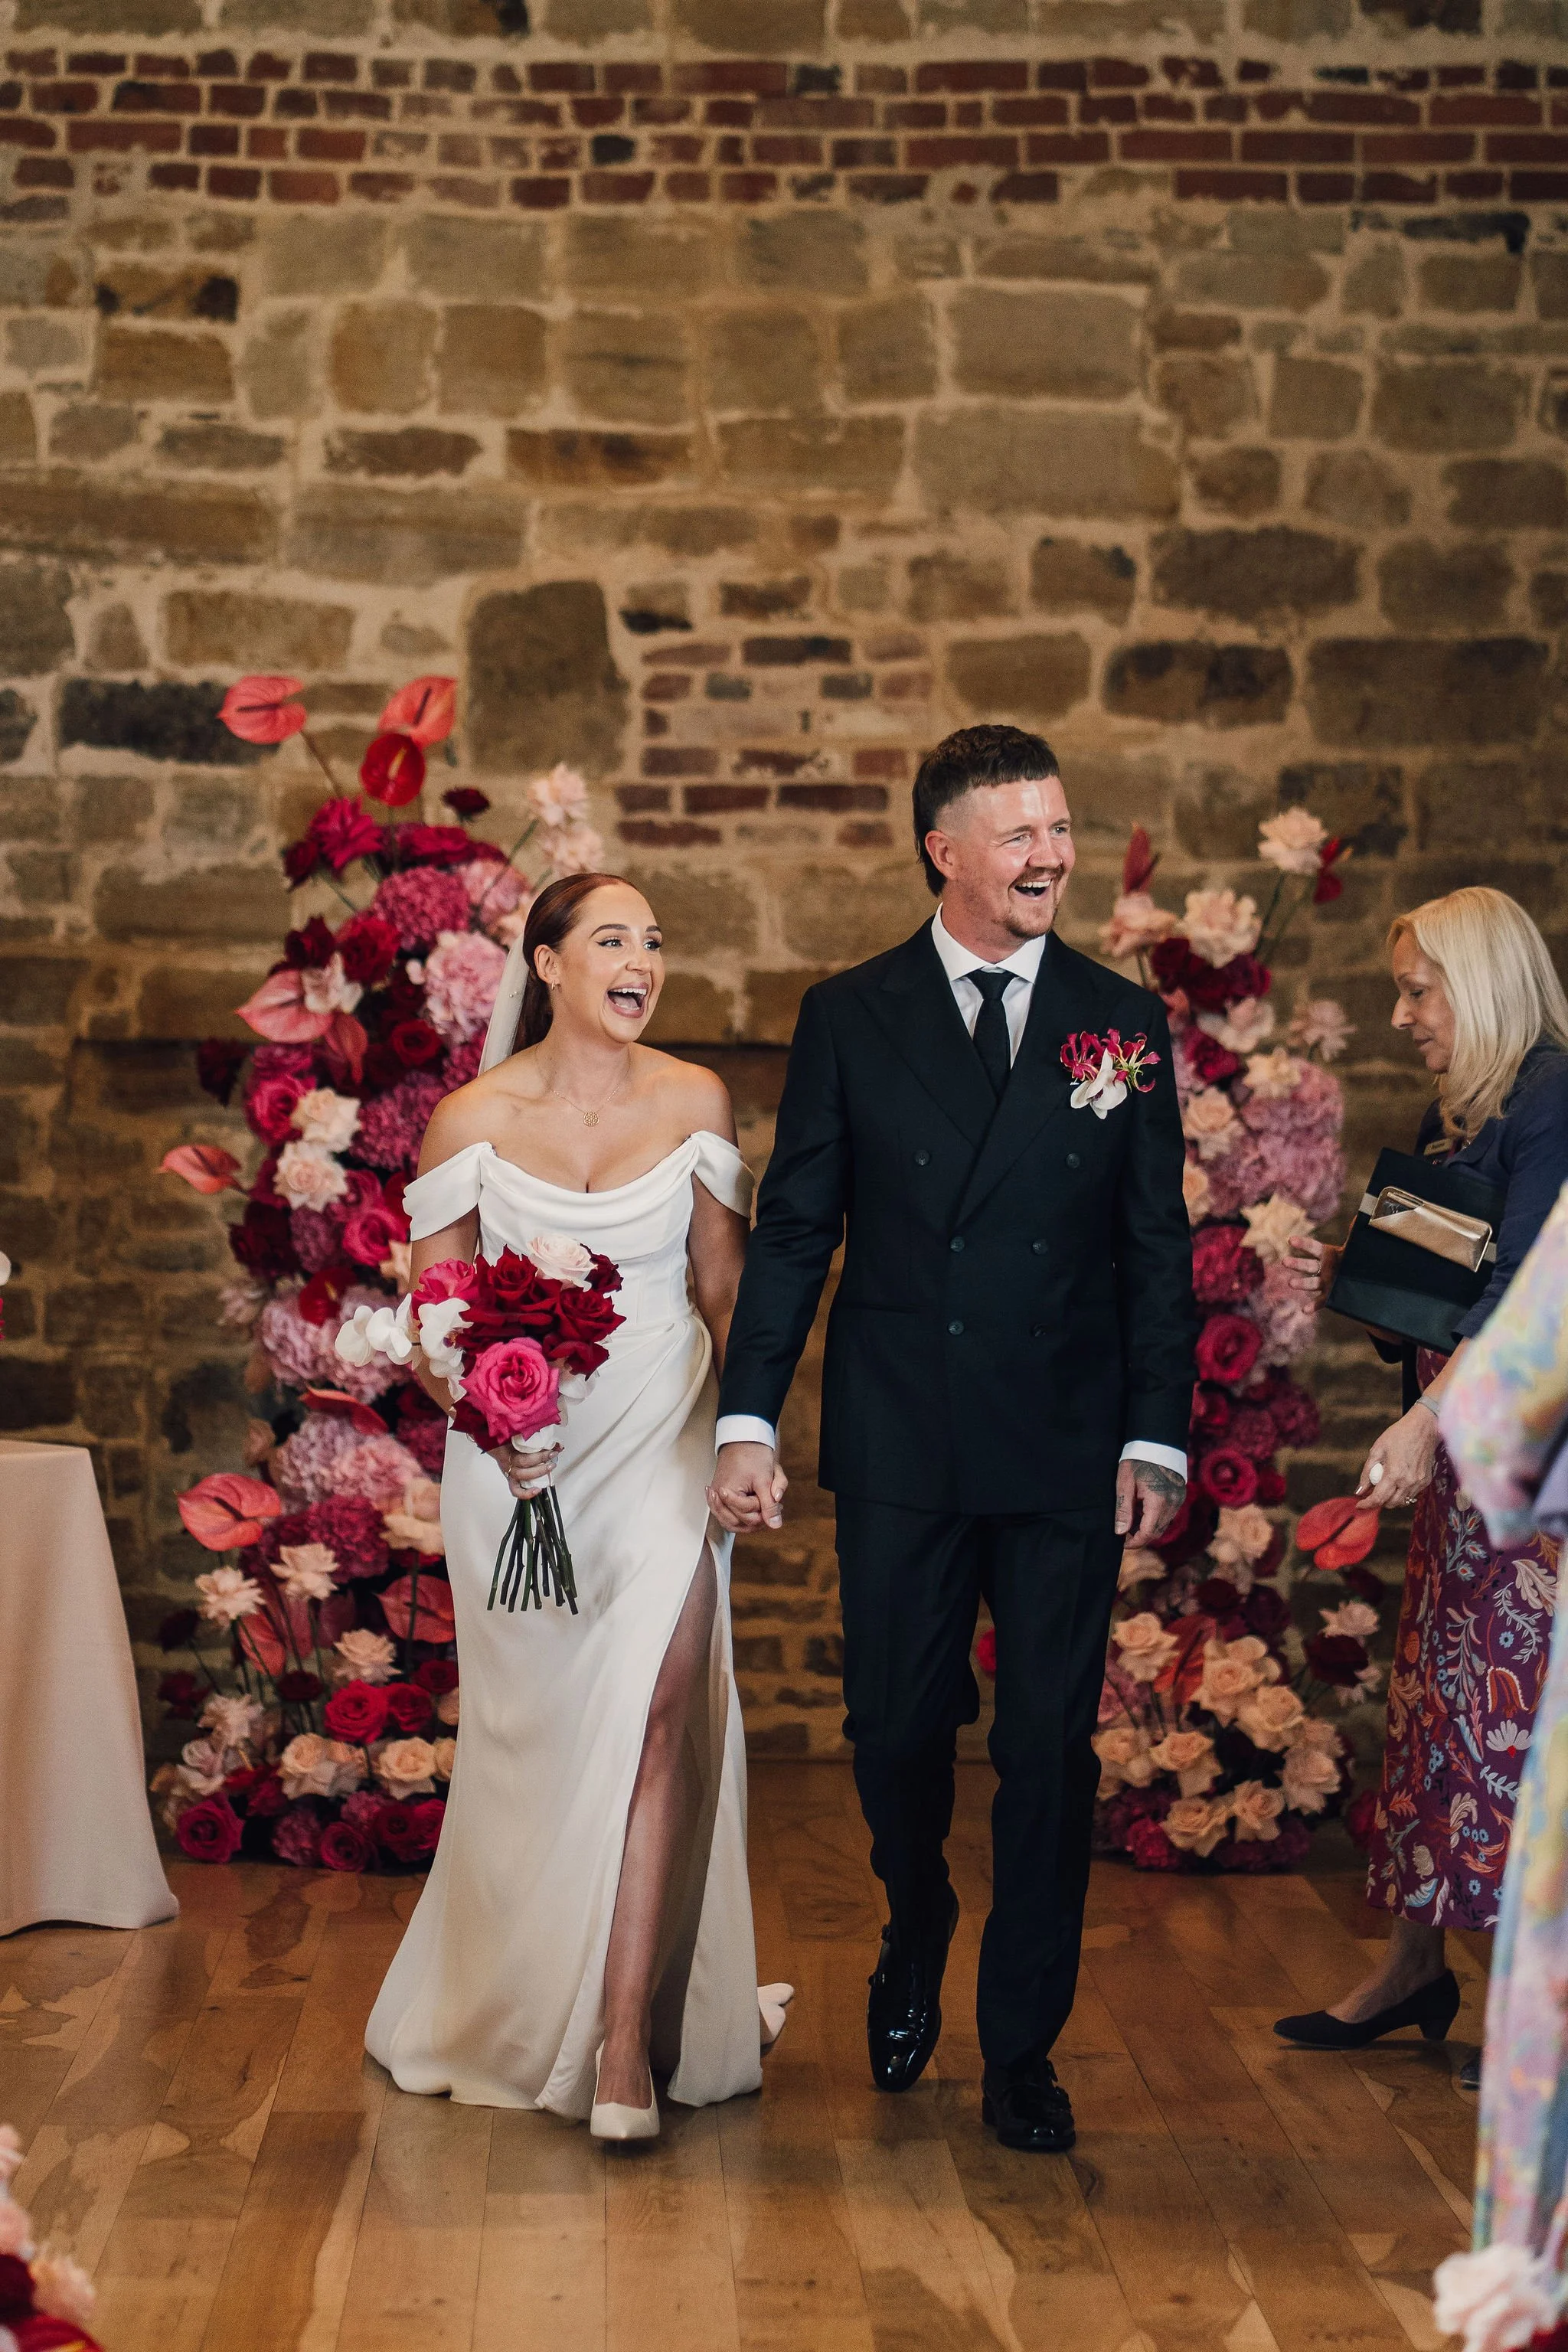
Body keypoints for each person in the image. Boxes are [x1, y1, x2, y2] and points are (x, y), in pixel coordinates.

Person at [708, 724, 1196, 2156]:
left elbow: (1154, 1249)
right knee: (897, 1732)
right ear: (946, 852)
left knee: (1047, 1751)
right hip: (904, 1439)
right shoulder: (850, 1014)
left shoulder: (1121, 1020)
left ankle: (1023, 2048)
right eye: (1020, 833)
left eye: (1061, 828)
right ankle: (914, 1919)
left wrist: (1156, 1437)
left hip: (1064, 1443)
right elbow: (797, 1230)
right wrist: (749, 1416)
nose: (1053, 855)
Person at [364, 872, 790, 2141]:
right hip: (517, 1468)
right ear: (547, 964)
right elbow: (434, 1320)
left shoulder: (695, 1101)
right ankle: (513, 2000)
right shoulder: (470, 1118)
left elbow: (724, 1291)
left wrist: (751, 1437)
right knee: (538, 1744)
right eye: (613, 939)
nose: (641, 960)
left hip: (663, 1441)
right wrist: (499, 1418)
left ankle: (622, 2052)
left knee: (657, 1711)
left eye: (654, 941)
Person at [1273, 887, 1568, 2069]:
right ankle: (1415, 1967)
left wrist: (1426, 1423)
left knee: (1520, 1722)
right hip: (1470, 1467)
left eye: (1416, 990)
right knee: (1444, 1712)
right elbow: (1445, 1298)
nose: (1401, 1016)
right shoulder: (1463, 1112)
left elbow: (1532, 1293)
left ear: (1481, 982)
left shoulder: (1554, 1100)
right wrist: (1359, 1273)